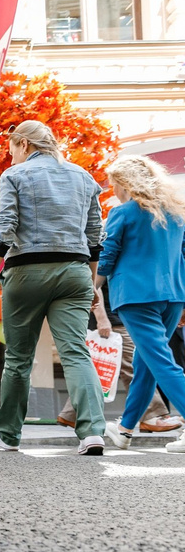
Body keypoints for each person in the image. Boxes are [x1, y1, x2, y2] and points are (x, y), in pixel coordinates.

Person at [0, 120, 107, 455]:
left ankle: (8, 434)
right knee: (76, 353)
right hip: (76, 271)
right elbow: (95, 236)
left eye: (11, 150)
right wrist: (92, 282)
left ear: (23, 144)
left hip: (27, 272)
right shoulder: (84, 177)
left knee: (19, 358)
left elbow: (5, 227)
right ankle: (93, 432)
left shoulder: (14, 176)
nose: (11, 157)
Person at [93, 155, 185, 453]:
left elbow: (106, 256)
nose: (113, 191)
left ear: (125, 184)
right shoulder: (175, 213)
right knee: (147, 364)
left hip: (136, 297)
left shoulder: (122, 213)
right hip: (173, 296)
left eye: (114, 185)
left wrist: (94, 287)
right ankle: (124, 430)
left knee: (160, 362)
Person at [56, 283, 184, 432]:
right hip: (113, 321)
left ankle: (71, 413)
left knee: (100, 369)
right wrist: (102, 319)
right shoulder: (110, 259)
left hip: (119, 318)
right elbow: (94, 284)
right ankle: (151, 415)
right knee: (134, 365)